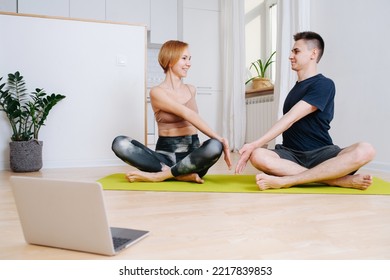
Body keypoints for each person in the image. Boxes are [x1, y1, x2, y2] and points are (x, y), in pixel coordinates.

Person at [235, 31, 376, 191]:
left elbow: (291, 118)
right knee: (258, 156)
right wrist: (256, 148)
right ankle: (337, 180)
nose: (291, 56)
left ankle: (287, 181)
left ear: (313, 53)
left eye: (296, 51)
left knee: (366, 150)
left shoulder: (324, 84)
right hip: (291, 155)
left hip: (322, 154)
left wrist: (255, 143)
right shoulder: (294, 90)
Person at [112, 40, 231, 183]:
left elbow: (192, 119)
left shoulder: (191, 89)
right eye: (184, 58)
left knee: (214, 145)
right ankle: (176, 173)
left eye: (189, 59)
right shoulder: (157, 92)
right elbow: (187, 114)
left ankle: (161, 175)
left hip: (192, 158)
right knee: (120, 143)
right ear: (170, 60)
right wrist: (220, 137)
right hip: (164, 158)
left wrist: (219, 141)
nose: (189, 63)